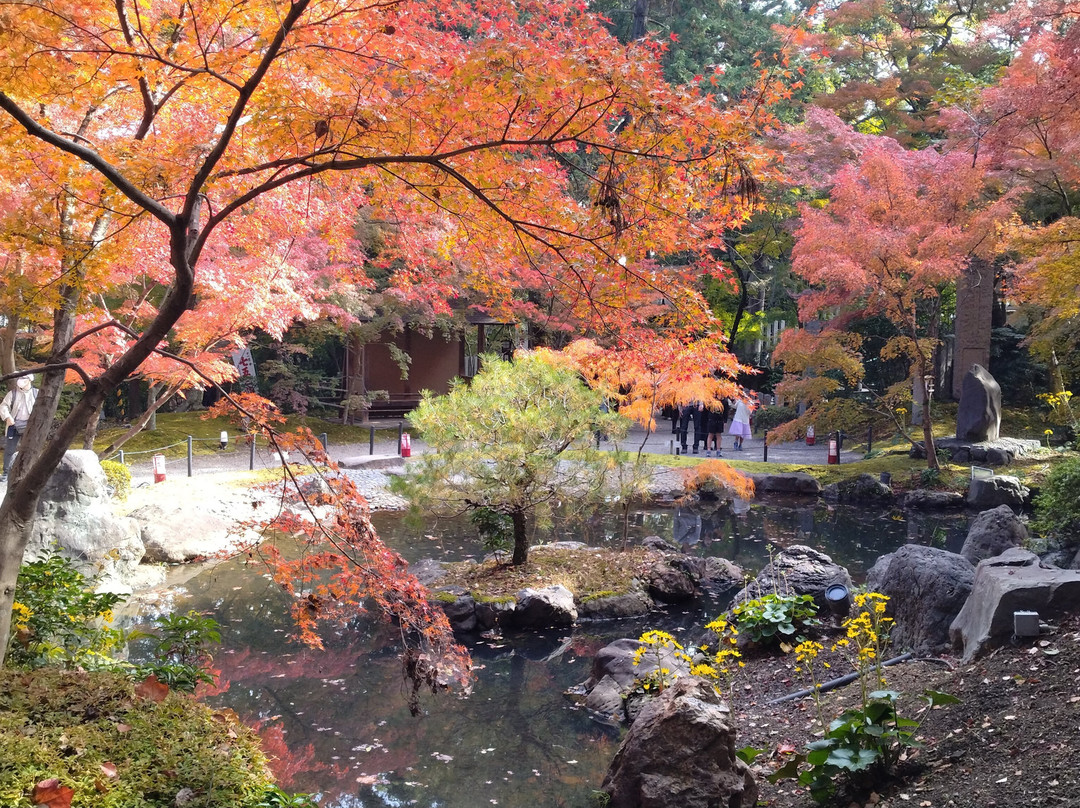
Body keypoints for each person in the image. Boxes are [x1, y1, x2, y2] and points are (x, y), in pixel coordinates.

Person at [1, 374, 38, 480]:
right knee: (10, 450)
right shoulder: (12, 393)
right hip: (14, 425)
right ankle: (6, 473)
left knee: (31, 449)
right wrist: (8, 417)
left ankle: (30, 472)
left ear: (29, 380)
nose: (20, 381)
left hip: (30, 426)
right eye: (20, 378)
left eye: (23, 379)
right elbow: (3, 406)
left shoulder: (36, 393)